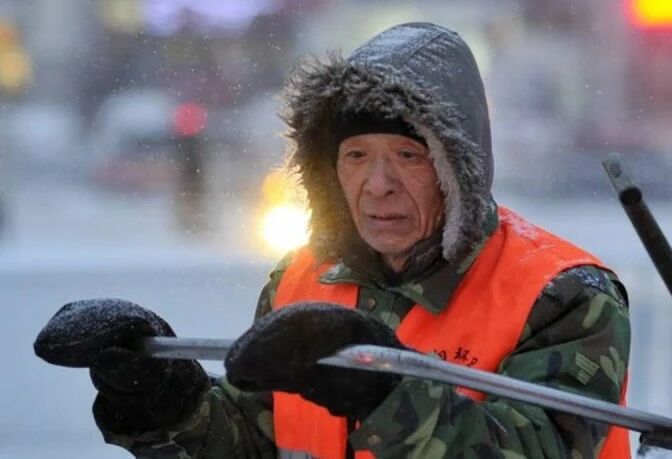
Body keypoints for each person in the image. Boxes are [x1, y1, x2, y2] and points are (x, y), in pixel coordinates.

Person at [34, 22, 631, 459]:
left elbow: (537, 449)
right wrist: (167, 399)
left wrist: (384, 392)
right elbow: (256, 441)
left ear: (457, 169)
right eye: (356, 156)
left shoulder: (563, 295)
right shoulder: (300, 280)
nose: (378, 185)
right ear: (328, 170)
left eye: (408, 155)